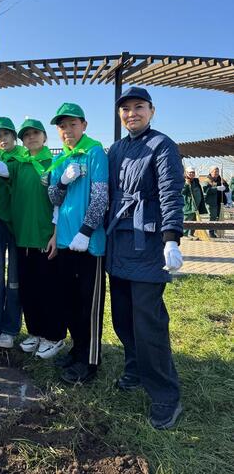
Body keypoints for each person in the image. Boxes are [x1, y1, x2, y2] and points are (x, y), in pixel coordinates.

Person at [105, 87, 184, 430]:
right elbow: (105, 192)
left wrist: (171, 239)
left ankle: (166, 394)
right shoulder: (116, 149)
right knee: (122, 317)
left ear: (152, 111)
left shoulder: (162, 145)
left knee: (148, 322)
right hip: (118, 242)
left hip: (148, 243)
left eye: (138, 107)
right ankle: (135, 368)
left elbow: (170, 192)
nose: (131, 113)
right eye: (126, 109)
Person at [47, 103, 108, 384]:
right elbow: (53, 198)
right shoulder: (60, 158)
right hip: (64, 242)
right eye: (62, 126)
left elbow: (101, 197)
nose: (67, 130)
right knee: (69, 302)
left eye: (73, 124)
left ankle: (90, 360)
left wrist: (86, 231)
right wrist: (61, 182)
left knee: (88, 305)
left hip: (88, 244)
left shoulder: (95, 152)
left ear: (84, 125)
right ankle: (77, 349)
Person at [9, 118, 63, 359]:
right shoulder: (19, 164)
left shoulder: (54, 163)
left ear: (44, 136)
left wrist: (56, 234)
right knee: (28, 290)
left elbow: (62, 202)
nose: (30, 138)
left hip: (45, 237)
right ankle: (35, 332)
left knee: (48, 289)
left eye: (35, 133)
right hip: (23, 237)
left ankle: (54, 336)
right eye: (26, 135)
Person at [0, 117, 24, 350]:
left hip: (17, 223)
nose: (2, 140)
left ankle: (10, 329)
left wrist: (1, 168)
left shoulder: (22, 157)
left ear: (14, 137)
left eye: (6, 135)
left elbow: (13, 175)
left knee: (15, 280)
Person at [203, 166, 228, 238]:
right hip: (211, 202)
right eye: (215, 171)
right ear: (211, 172)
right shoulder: (207, 180)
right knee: (213, 217)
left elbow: (227, 188)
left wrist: (224, 188)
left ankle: (217, 231)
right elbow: (206, 190)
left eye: (217, 171)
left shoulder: (221, 180)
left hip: (220, 201)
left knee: (219, 217)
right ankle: (211, 232)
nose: (216, 173)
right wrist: (216, 188)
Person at [182, 166, 207, 238]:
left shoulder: (196, 181)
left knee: (194, 220)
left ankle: (191, 234)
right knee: (188, 219)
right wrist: (186, 184)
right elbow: (182, 192)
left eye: (193, 172)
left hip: (196, 204)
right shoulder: (183, 181)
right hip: (189, 205)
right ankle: (185, 234)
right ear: (186, 173)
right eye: (190, 172)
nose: (191, 174)